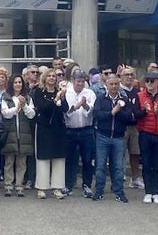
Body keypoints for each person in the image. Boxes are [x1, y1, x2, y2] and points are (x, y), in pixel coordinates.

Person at [92, 71, 133, 202]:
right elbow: (97, 115)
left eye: (116, 84)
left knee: (118, 167)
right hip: (102, 136)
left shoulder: (124, 100)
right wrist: (111, 112)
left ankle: (119, 191)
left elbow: (129, 118)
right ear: (106, 85)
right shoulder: (100, 98)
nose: (114, 86)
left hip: (119, 137)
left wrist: (118, 112)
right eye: (111, 84)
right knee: (100, 165)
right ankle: (99, 190)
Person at [31, 68, 69, 200]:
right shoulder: (38, 92)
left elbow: (66, 109)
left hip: (58, 129)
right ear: (45, 78)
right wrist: (55, 100)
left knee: (59, 158)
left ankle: (57, 188)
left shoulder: (60, 92)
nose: (52, 78)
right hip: (44, 128)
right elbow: (42, 108)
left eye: (54, 76)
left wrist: (62, 98)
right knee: (43, 158)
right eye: (50, 76)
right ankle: (41, 188)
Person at [135, 75, 158, 204]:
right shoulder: (139, 96)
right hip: (145, 133)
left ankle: (156, 192)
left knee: (157, 164)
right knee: (146, 163)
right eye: (147, 81)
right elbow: (136, 115)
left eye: (152, 81)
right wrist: (145, 111)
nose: (149, 84)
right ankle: (148, 192)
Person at [0, 74, 35, 197]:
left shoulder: (28, 98)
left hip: (24, 134)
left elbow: (32, 115)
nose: (18, 84)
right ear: (11, 84)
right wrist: (16, 108)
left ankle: (19, 186)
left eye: (20, 82)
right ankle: (8, 185)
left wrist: (24, 105)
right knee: (9, 162)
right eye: (15, 82)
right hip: (10, 133)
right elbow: (5, 114)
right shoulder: (6, 97)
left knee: (22, 162)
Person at [64, 68, 96, 198]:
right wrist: (76, 106)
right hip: (70, 130)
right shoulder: (66, 93)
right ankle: (68, 185)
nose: (80, 84)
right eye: (78, 81)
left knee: (87, 159)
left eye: (82, 81)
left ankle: (87, 185)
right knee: (70, 159)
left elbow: (91, 111)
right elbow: (66, 113)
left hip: (86, 130)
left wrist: (84, 105)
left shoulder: (89, 93)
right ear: (72, 81)